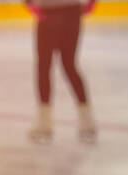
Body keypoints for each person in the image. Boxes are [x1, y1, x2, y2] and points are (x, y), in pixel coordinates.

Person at [24, 0, 97, 143]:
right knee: (69, 65)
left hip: (49, 11)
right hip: (72, 12)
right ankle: (87, 121)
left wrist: (29, 3)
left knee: (45, 66)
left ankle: (45, 124)